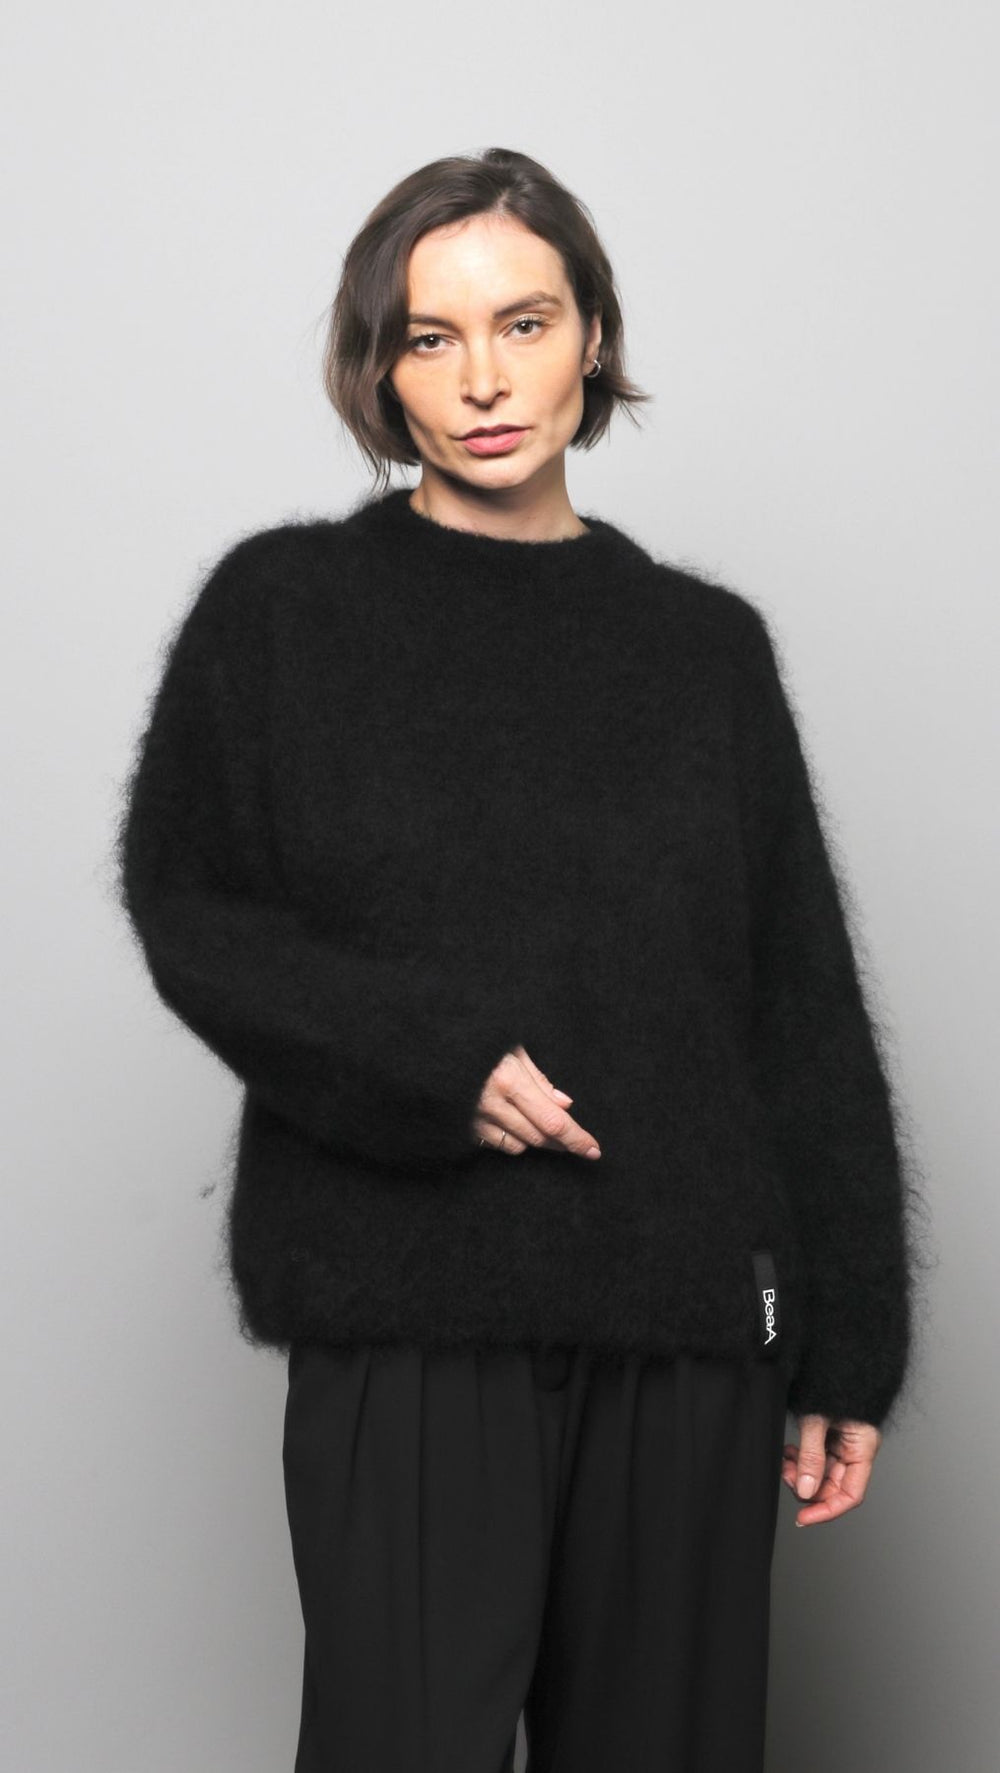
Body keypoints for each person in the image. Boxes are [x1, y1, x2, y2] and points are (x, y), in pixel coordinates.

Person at [116, 147, 916, 1773]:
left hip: (685, 1326)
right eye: (431, 337)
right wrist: (431, 1063)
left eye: (525, 323)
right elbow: (190, 903)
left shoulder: (704, 651)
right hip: (411, 1317)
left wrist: (850, 1336)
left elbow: (797, 1003)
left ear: (593, 336)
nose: (483, 379)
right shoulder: (284, 613)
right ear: (381, 369)